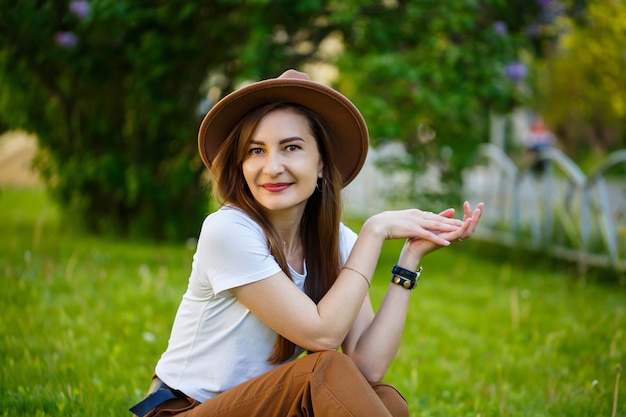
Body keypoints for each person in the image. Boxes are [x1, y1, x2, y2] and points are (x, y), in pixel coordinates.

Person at [130, 69, 484, 417]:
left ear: (321, 164)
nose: (271, 167)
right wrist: (375, 230)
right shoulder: (229, 230)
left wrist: (408, 259)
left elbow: (367, 365)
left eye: (291, 147)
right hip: (185, 409)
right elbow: (322, 336)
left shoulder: (337, 241)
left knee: (386, 401)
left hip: (261, 406)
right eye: (256, 150)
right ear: (241, 163)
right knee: (324, 370)